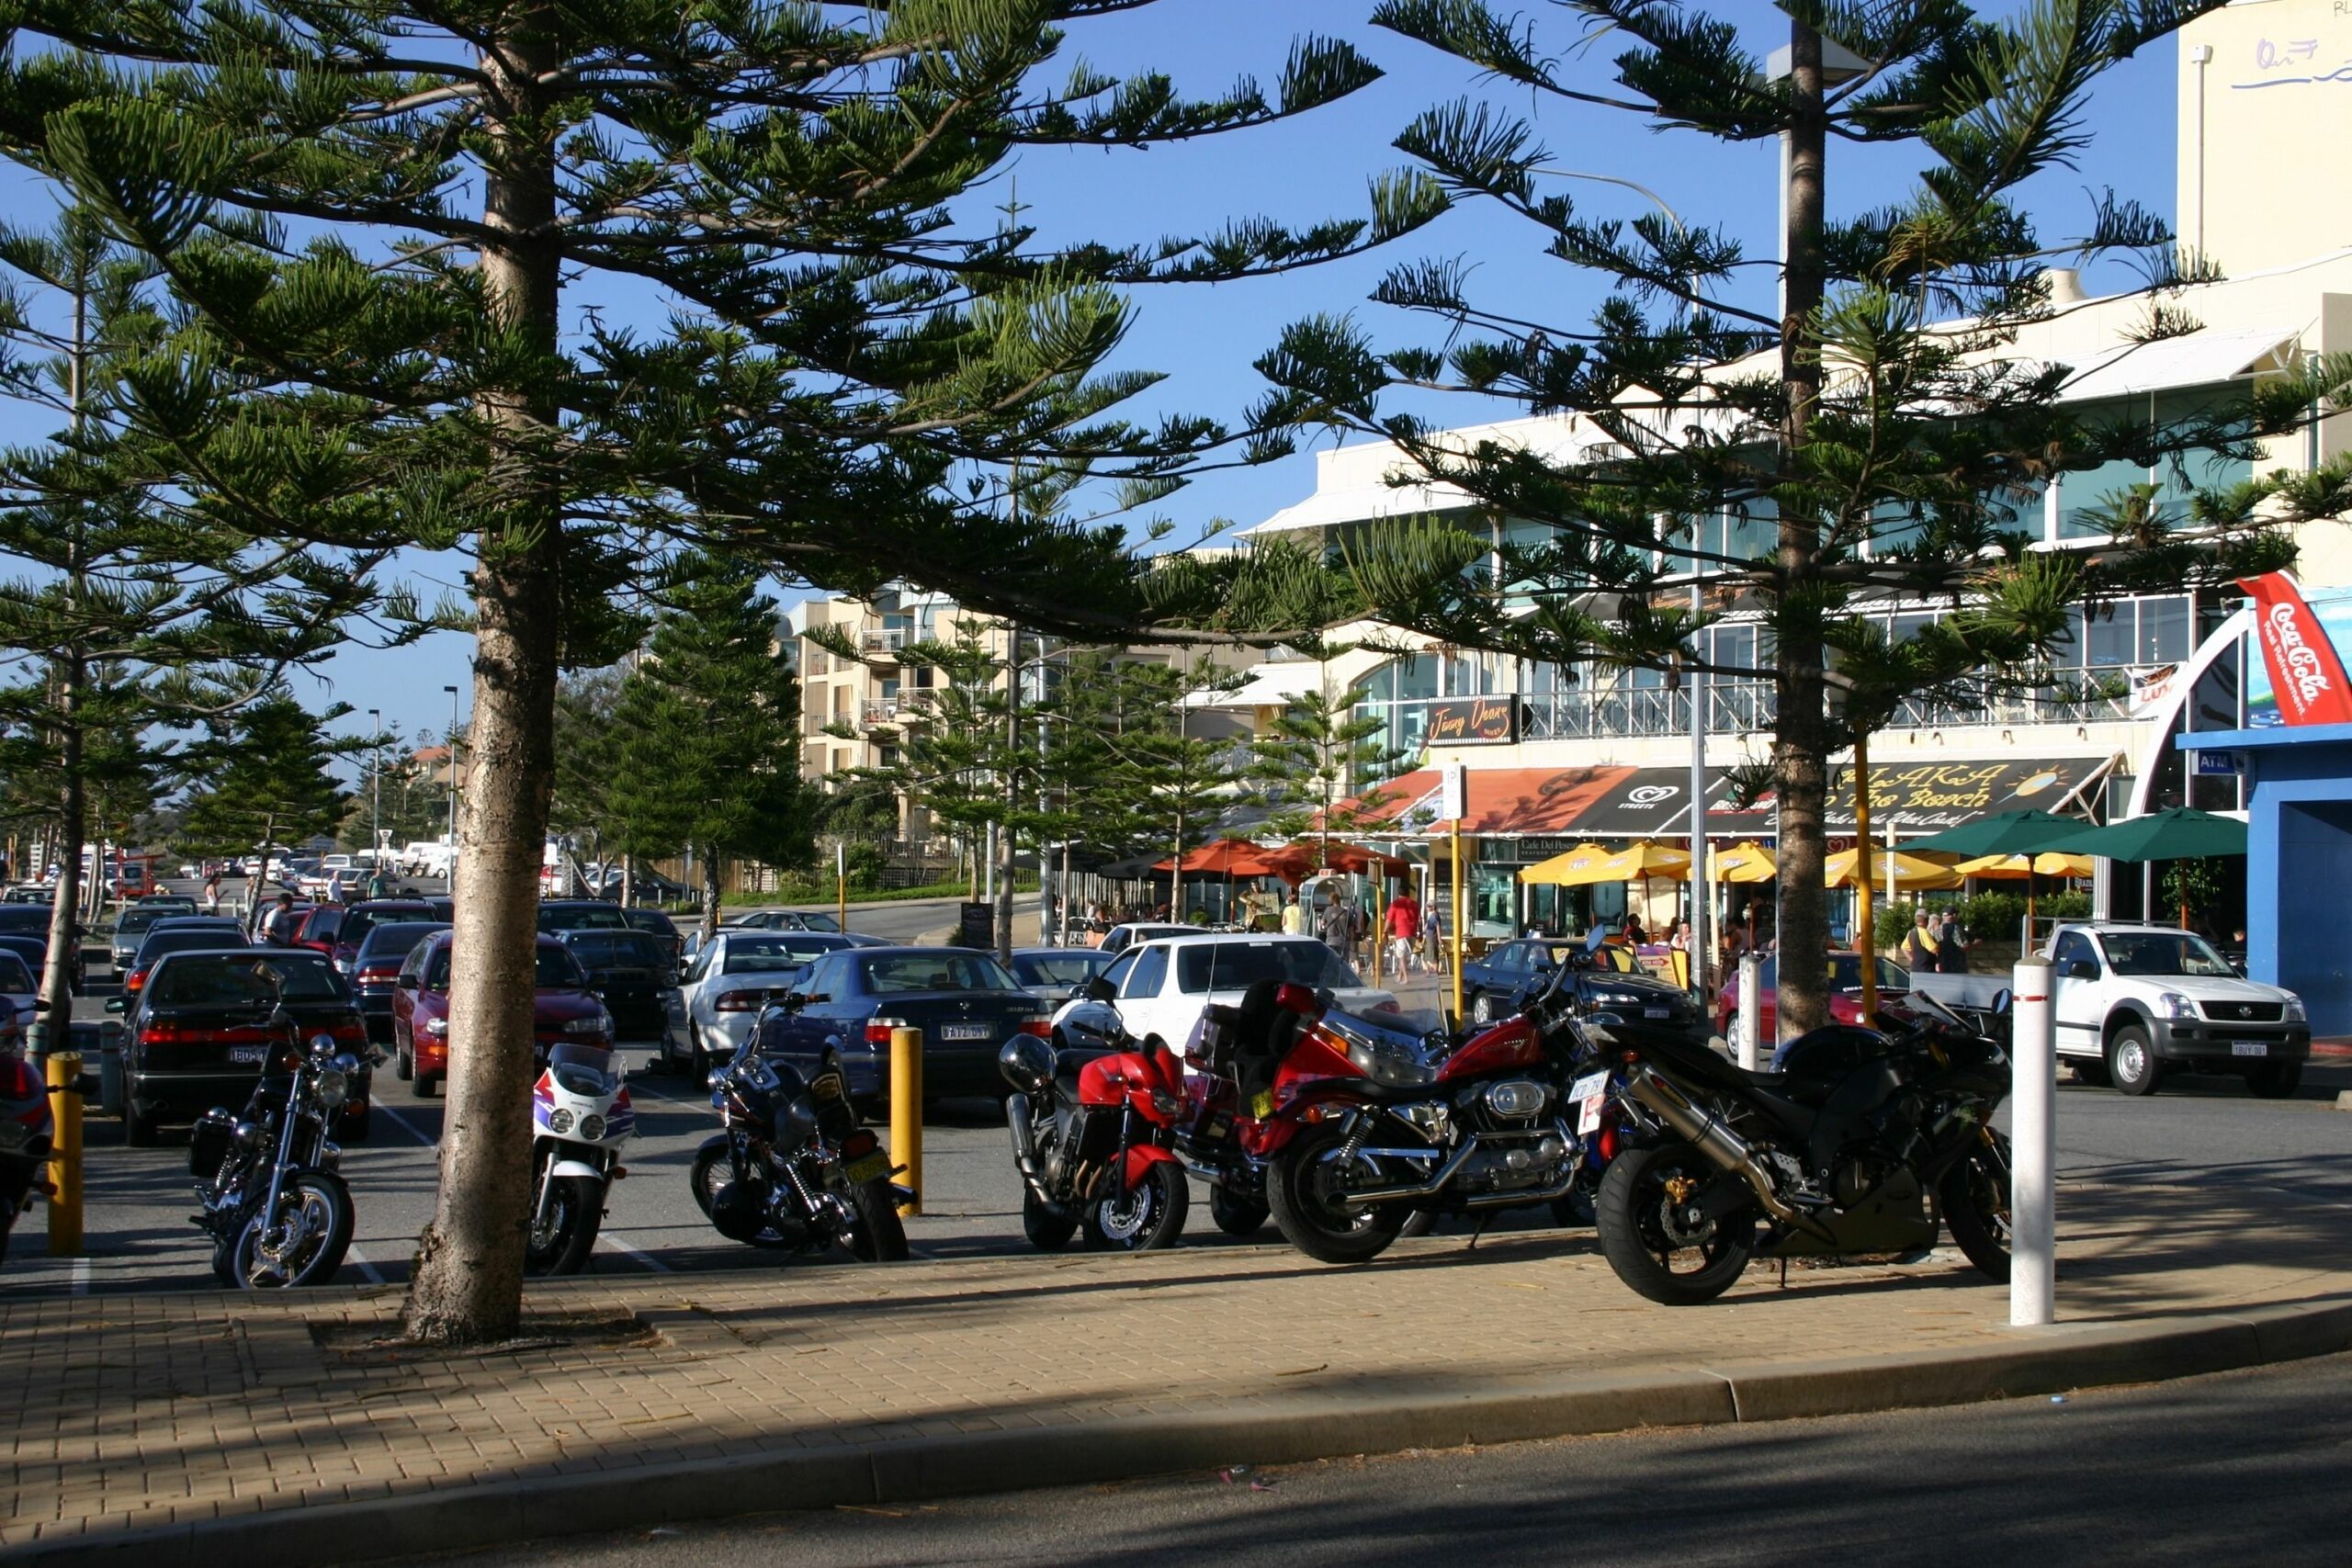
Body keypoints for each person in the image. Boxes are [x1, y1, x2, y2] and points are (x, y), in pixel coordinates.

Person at [1385, 888, 1421, 976]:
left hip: (1401, 931)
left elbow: (1389, 919)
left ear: (1398, 894)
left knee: (1401, 955)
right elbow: (1419, 919)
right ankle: (1400, 975)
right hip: (1412, 932)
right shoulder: (1414, 904)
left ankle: (1405, 976)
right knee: (1406, 954)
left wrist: (1384, 931)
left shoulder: (1396, 904)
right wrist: (1420, 932)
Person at [1903, 908, 1941, 973]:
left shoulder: (1911, 932)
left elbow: (1904, 948)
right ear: (1926, 920)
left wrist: (1913, 961)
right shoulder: (1924, 932)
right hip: (1926, 970)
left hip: (1915, 969)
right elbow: (1934, 950)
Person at [1938, 910, 1969, 974]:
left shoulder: (1938, 928)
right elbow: (1962, 947)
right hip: (1956, 963)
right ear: (1954, 915)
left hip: (1943, 962)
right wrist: (1974, 945)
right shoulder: (1955, 928)